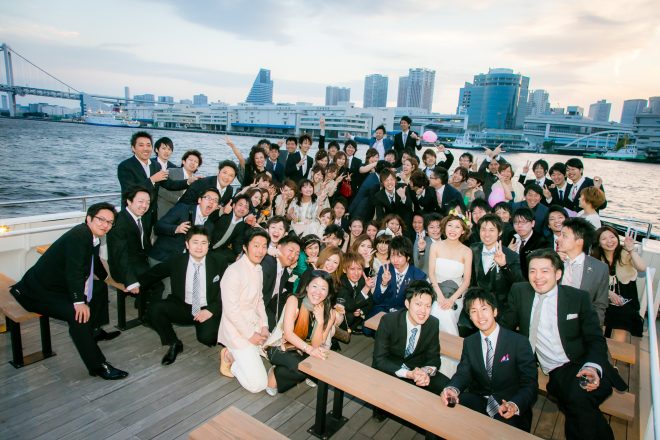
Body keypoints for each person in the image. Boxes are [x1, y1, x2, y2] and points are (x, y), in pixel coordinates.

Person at [501, 249, 627, 440]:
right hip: (556, 368)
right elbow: (506, 327)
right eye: (532, 271)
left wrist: (592, 367)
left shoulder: (577, 298)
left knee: (578, 399)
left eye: (545, 271)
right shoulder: (520, 292)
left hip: (581, 361)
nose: (537, 277)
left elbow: (595, 338)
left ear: (558, 274)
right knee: (578, 400)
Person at [10, 202, 128, 380]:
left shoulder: (93, 236)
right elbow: (75, 272)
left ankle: (95, 330)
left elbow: (94, 262)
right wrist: (78, 302)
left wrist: (109, 280)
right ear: (89, 218)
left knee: (99, 288)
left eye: (110, 222)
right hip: (35, 292)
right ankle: (98, 366)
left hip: (57, 286)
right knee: (78, 316)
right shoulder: (80, 236)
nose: (105, 225)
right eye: (101, 220)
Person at [442, 288, 537, 432]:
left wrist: (514, 404)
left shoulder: (519, 342)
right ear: (470, 317)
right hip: (479, 398)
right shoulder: (470, 342)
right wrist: (452, 388)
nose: (480, 316)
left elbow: (530, 383)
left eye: (484, 309)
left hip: (508, 403)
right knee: (443, 418)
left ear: (495, 311)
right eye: (473, 311)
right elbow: (463, 373)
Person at [138, 227, 225, 365]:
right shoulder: (177, 260)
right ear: (187, 244)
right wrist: (136, 283)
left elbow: (228, 291)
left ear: (209, 245)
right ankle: (174, 343)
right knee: (155, 309)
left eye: (204, 243)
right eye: (195, 242)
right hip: (182, 306)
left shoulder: (219, 262)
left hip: (206, 307)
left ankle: (211, 328)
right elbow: (156, 272)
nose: (199, 247)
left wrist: (211, 310)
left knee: (208, 339)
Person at [264, 270, 337, 395]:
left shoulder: (330, 313)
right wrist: (309, 350)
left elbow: (317, 345)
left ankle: (277, 373)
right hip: (281, 347)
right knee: (303, 368)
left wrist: (319, 322)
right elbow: (288, 333)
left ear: (328, 292)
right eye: (314, 286)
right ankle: (275, 375)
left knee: (316, 367)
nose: (318, 292)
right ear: (307, 286)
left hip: (306, 351)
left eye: (323, 288)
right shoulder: (294, 300)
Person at [217, 229, 271, 393]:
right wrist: (250, 335)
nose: (260, 250)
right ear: (245, 247)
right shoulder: (233, 272)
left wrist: (264, 325)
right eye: (256, 245)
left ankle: (245, 355)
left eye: (264, 246)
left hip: (253, 325)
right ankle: (230, 358)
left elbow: (259, 300)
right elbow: (231, 311)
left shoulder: (258, 268)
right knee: (258, 385)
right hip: (237, 331)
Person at [372, 280, 450, 394]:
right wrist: (409, 374)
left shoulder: (433, 323)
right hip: (391, 369)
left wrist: (425, 372)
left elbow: (434, 358)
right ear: (407, 304)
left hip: (417, 369)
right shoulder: (389, 321)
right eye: (418, 304)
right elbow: (380, 359)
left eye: (428, 306)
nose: (423, 311)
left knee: (448, 388)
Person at [117, 131, 190, 218]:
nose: (145, 148)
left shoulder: (156, 165)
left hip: (151, 214)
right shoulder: (125, 166)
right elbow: (130, 190)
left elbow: (170, 184)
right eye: (141, 145)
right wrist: (152, 180)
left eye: (148, 145)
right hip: (132, 214)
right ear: (133, 148)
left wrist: (188, 182)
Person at [591, 227, 646, 337]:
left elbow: (642, 268)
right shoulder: (595, 258)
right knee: (598, 329)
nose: (610, 241)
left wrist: (631, 250)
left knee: (621, 326)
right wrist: (608, 293)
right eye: (604, 239)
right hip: (604, 299)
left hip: (626, 301)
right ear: (598, 243)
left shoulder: (625, 253)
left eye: (612, 237)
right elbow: (593, 283)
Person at [557, 217, 610, 325]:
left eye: (564, 236)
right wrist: (554, 261)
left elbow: (600, 305)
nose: (558, 239)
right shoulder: (551, 261)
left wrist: (592, 329)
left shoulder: (600, 269)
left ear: (580, 241)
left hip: (580, 325)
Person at [428, 213, 473, 338]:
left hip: (456, 293)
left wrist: (451, 300)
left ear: (463, 231)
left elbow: (466, 281)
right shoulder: (435, 246)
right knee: (436, 309)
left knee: (446, 312)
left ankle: (451, 353)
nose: (453, 230)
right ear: (444, 227)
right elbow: (431, 274)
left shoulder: (467, 251)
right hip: (435, 289)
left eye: (457, 227)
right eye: (450, 225)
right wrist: (440, 297)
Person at [150, 188, 220, 264]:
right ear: (199, 200)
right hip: (162, 258)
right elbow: (158, 226)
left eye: (215, 200)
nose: (212, 202)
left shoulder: (210, 226)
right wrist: (176, 229)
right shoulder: (182, 209)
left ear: (217, 207)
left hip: (183, 264)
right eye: (208, 198)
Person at [470, 214, 523, 312]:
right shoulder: (473, 250)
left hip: (501, 307)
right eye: (483, 229)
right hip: (476, 305)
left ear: (500, 232)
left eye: (491, 230)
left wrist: (504, 266)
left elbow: (518, 283)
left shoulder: (511, 256)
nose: (486, 234)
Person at [370, 236, 427, 317]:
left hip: (405, 313)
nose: (395, 260)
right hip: (383, 310)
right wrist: (384, 283)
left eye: (399, 256)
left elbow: (418, 305)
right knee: (367, 327)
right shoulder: (384, 270)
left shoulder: (418, 276)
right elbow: (376, 299)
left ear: (408, 257)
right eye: (392, 256)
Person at [260, 234, 302, 330]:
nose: (293, 256)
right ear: (278, 247)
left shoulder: (282, 267)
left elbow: (278, 285)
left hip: (265, 306)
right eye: (291, 250)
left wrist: (289, 269)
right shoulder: (268, 263)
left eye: (297, 254)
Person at [157, 149, 203, 220]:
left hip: (181, 216)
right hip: (165, 210)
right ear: (183, 161)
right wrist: (178, 199)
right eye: (190, 160)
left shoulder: (196, 181)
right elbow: (159, 190)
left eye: (196, 162)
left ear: (198, 166)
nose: (193, 163)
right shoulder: (171, 171)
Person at [337, 252, 374, 333]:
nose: (356, 273)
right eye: (352, 269)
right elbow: (350, 306)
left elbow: (370, 301)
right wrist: (366, 288)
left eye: (359, 269)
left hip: (356, 319)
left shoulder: (362, 280)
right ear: (344, 270)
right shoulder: (340, 283)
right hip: (340, 322)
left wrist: (361, 311)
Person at [509, 207, 550, 279]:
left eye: (524, 222)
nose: (519, 226)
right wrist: (508, 251)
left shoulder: (542, 242)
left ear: (532, 223)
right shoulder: (511, 237)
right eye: (516, 222)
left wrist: (511, 255)